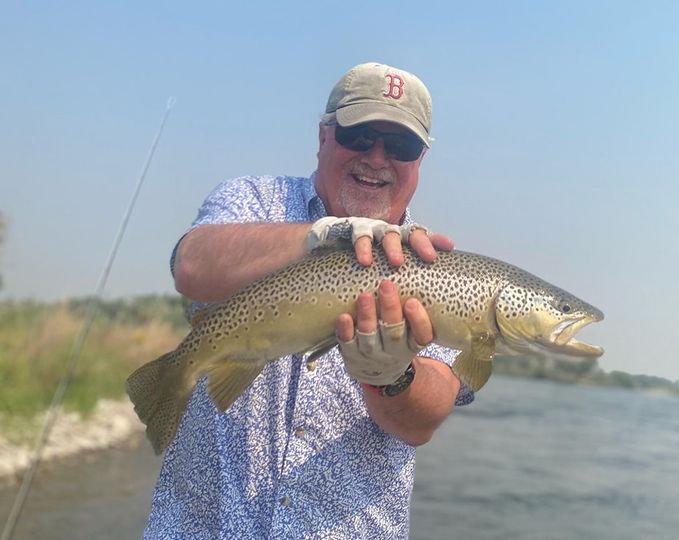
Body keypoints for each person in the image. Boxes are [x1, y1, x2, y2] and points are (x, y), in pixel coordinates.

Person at [144, 61, 473, 539]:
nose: (377, 158)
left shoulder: (434, 267)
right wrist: (323, 236)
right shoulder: (254, 201)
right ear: (323, 136)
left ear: (419, 160)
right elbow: (192, 266)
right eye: (359, 135)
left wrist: (393, 376)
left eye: (400, 145)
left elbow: (425, 418)